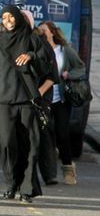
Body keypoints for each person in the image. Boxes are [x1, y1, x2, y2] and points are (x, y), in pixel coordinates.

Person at [0, 6, 57, 202]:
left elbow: (47, 68)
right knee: (7, 143)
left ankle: (26, 188)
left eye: (11, 16)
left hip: (27, 100)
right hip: (3, 100)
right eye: (4, 17)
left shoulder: (34, 40)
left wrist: (32, 56)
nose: (8, 20)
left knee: (30, 145)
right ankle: (11, 183)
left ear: (18, 18)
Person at [37, 21, 84, 187]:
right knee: (47, 135)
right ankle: (50, 171)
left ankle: (68, 169)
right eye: (39, 30)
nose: (41, 32)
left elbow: (81, 67)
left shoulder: (65, 50)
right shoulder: (39, 49)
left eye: (44, 30)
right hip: (46, 98)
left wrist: (68, 74)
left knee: (63, 134)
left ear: (52, 32)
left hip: (61, 98)